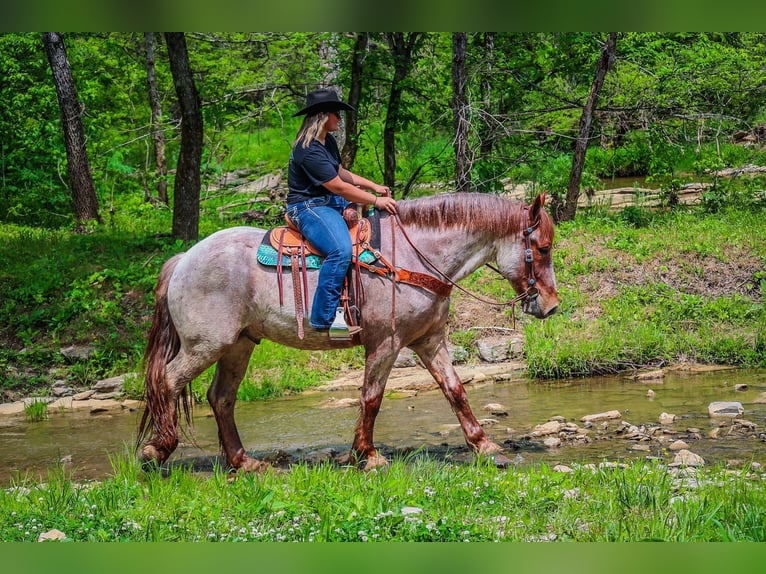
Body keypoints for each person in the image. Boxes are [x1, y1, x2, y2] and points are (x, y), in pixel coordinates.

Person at [286, 88, 397, 336]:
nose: (339, 118)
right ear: (323, 115)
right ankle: (324, 320)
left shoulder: (328, 142)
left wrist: (372, 185)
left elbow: (340, 172)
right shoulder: (308, 150)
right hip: (308, 207)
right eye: (336, 113)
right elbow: (338, 186)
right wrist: (375, 201)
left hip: (327, 202)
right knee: (340, 250)